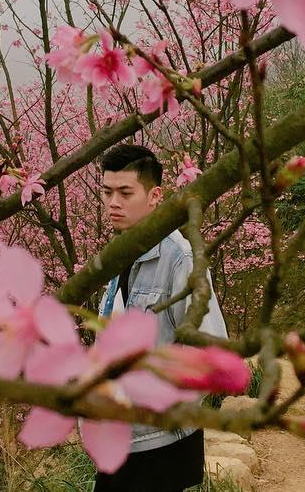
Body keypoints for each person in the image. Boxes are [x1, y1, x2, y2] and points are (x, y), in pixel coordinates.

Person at [93, 144, 228, 492]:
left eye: (125, 193)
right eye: (107, 192)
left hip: (162, 444)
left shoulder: (180, 259)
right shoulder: (120, 254)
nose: (113, 203)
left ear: (155, 196)